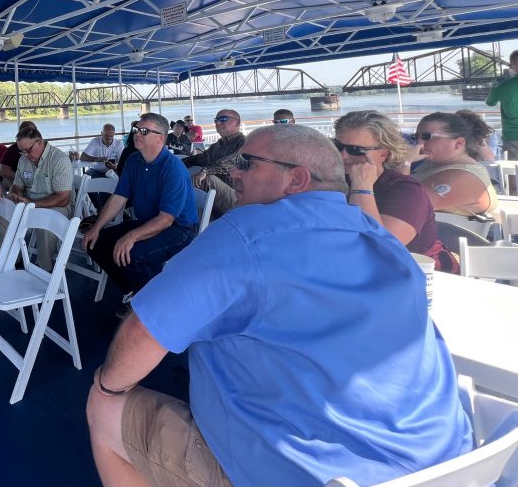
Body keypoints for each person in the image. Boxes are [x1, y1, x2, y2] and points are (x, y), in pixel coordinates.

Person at [86, 124, 472, 487]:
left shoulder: (245, 235)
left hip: (305, 473)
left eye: (247, 163)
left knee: (104, 406)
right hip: (448, 463)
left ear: (297, 179)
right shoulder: (381, 238)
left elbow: (145, 330)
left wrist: (107, 386)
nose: (234, 173)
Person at [83, 113, 198, 298]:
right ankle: (137, 292)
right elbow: (119, 197)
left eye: (144, 131)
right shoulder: (133, 160)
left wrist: (131, 237)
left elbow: (166, 219)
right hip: (149, 221)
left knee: (134, 255)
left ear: (160, 138)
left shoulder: (172, 168)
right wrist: (96, 227)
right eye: (137, 129)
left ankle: (151, 305)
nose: (137, 134)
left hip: (179, 228)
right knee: (95, 243)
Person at [334, 111, 458, 272]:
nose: (343, 155)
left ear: (383, 154)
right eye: (337, 146)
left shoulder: (406, 192)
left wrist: (362, 186)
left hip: (420, 277)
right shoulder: (335, 183)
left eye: (356, 150)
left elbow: (379, 249)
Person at [411, 112, 498, 219]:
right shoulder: (432, 164)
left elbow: (402, 205)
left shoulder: (465, 177)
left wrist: (405, 163)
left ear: (459, 143)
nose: (420, 143)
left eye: (427, 137)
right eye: (416, 137)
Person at [9, 125, 74, 267]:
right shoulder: (24, 160)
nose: (25, 155)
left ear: (39, 141)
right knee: (3, 210)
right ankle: (11, 260)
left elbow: (63, 198)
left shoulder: (59, 160)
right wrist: (17, 194)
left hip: (57, 205)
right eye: (22, 152)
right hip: (29, 202)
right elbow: (17, 185)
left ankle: (46, 269)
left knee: (45, 220)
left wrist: (32, 204)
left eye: (28, 150)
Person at [181, 109, 245, 217]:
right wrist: (173, 163)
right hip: (219, 196)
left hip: (237, 200)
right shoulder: (217, 145)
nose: (218, 123)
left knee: (203, 179)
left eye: (223, 119)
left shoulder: (244, 143)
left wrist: (206, 171)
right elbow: (200, 159)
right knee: (184, 172)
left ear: (237, 122)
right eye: (216, 120)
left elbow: (232, 160)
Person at [486, 48, 518, 158]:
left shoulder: (502, 86)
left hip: (513, 137)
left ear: (513, 66)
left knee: (513, 171)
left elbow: (490, 103)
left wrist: (495, 87)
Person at [0, 120, 34, 190]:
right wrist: (21, 178)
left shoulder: (40, 148)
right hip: (21, 184)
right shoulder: (13, 150)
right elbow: (2, 170)